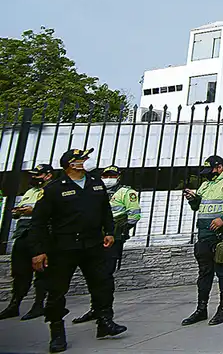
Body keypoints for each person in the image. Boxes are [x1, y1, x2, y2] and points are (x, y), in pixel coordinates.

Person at [29, 149, 127, 353]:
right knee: (57, 290)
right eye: (78, 160)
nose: (83, 162)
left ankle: (105, 322)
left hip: (93, 244)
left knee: (103, 283)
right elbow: (38, 222)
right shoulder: (54, 188)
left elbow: (104, 210)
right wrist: (39, 250)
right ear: (69, 164)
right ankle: (57, 332)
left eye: (83, 159)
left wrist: (109, 231)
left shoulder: (95, 183)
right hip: (64, 247)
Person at [180, 155, 223, 327]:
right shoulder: (206, 185)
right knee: (204, 272)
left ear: (219, 167)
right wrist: (193, 199)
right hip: (204, 233)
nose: (207, 175)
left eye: (209, 171)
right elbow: (198, 207)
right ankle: (201, 309)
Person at [72, 165, 141, 324]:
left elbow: (134, 215)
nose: (108, 178)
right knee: (95, 276)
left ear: (118, 176)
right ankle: (95, 309)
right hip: (95, 237)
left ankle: (104, 313)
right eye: (106, 175)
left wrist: (120, 231)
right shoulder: (97, 190)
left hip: (113, 238)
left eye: (112, 175)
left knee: (105, 276)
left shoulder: (126, 192)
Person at [0, 164, 54, 321]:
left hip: (42, 235)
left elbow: (56, 212)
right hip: (23, 234)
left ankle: (39, 304)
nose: (34, 178)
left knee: (42, 271)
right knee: (20, 272)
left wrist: (34, 211)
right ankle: (14, 304)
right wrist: (17, 212)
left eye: (38, 175)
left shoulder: (52, 191)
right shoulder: (31, 192)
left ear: (48, 175)